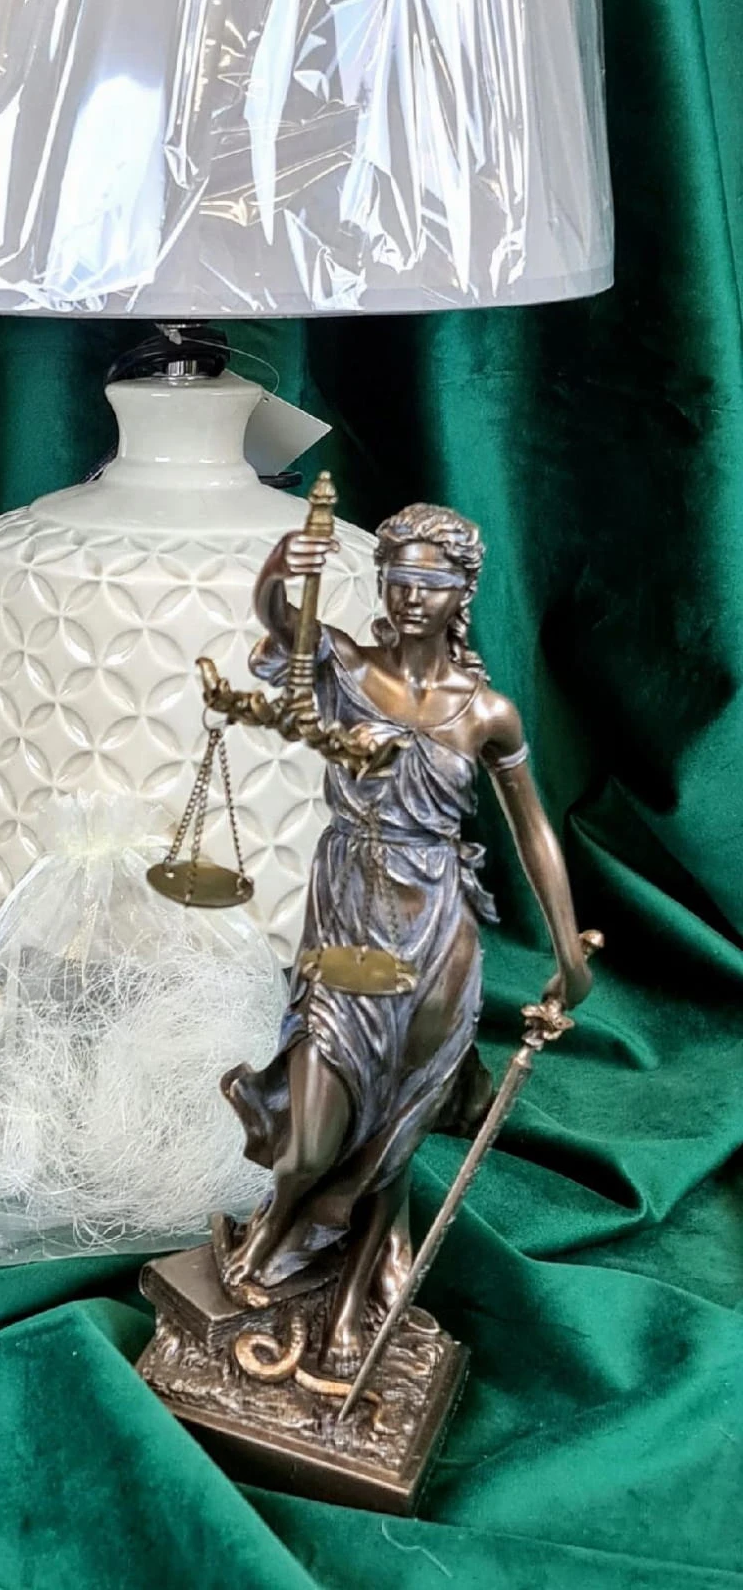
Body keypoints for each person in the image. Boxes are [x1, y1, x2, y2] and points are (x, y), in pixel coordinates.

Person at [218, 503, 592, 1372]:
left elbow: (534, 830)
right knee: (313, 1130)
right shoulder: (347, 666)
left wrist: (569, 949)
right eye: (397, 579)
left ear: (462, 591)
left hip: (436, 931)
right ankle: (279, 1223)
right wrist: (282, 561)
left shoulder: (488, 712)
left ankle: (355, 1284)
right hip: (348, 910)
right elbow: (279, 615)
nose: (411, 596)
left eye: (431, 581)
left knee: (400, 1110)